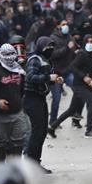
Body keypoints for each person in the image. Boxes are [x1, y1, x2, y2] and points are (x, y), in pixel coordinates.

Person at [0, 43, 31, 161]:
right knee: (0, 142)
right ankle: (1, 168)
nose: (10, 57)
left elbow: (22, 89)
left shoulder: (18, 70)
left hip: (17, 112)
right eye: (6, 54)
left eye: (12, 54)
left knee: (19, 141)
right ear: (0, 55)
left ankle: (15, 169)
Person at [24, 36, 62, 173]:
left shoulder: (46, 60)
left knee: (41, 132)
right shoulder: (35, 59)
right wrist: (48, 78)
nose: (50, 49)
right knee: (37, 132)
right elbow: (30, 77)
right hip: (32, 98)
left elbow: (44, 79)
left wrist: (54, 80)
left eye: (52, 47)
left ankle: (35, 162)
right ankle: (31, 162)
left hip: (40, 98)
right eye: (47, 47)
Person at [49, 34, 92, 138]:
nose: (90, 44)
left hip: (85, 85)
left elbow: (89, 70)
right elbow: (72, 67)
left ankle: (52, 127)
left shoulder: (90, 55)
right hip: (79, 85)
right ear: (85, 43)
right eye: (88, 42)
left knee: (71, 110)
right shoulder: (82, 54)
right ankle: (88, 130)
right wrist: (84, 77)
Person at [48, 20, 76, 123]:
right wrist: (66, 48)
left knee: (78, 90)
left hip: (68, 71)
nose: (66, 26)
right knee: (56, 99)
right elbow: (53, 55)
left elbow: (73, 52)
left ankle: (75, 117)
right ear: (58, 26)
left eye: (67, 24)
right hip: (56, 72)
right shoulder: (52, 38)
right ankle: (53, 121)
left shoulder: (69, 37)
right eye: (63, 24)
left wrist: (74, 50)